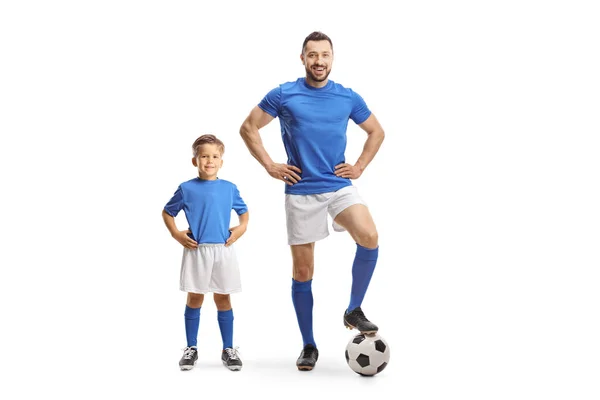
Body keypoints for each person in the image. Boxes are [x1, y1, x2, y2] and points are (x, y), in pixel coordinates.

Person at [239, 31, 385, 371]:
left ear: (332, 59)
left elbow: (376, 131)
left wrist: (360, 165)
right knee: (303, 271)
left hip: (338, 185)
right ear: (302, 58)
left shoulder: (347, 97)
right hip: (301, 191)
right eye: (312, 55)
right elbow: (248, 127)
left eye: (325, 55)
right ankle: (308, 345)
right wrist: (270, 165)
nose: (319, 61)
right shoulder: (284, 94)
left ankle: (354, 309)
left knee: (369, 236)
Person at [162, 134, 249, 372]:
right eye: (204, 156)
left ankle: (228, 349)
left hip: (223, 250)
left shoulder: (229, 188)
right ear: (195, 161)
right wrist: (177, 234)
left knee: (223, 298)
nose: (209, 161)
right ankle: (191, 348)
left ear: (222, 161)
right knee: (195, 297)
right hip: (197, 250)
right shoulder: (186, 188)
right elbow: (168, 212)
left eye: (214, 156)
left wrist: (241, 229)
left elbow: (244, 213)